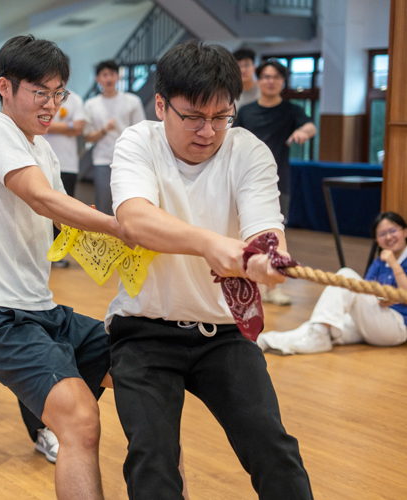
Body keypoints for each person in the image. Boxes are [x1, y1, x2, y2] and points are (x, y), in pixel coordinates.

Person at [107, 41, 313, 498]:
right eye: (194, 117)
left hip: (223, 334)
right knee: (152, 459)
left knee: (272, 448)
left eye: (221, 117)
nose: (209, 131)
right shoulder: (138, 142)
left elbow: (266, 230)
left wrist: (268, 259)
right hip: (144, 330)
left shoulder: (249, 151)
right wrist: (210, 244)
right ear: (161, 106)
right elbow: (135, 220)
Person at [0, 35, 126, 499]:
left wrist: (143, 250)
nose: (53, 105)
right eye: (41, 93)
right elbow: (42, 197)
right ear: (5, 87)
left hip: (44, 312)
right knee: (78, 418)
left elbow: (61, 218)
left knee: (142, 376)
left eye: (60, 93)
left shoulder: (43, 149)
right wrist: (121, 226)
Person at [258, 211, 407, 355]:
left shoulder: (391, 260)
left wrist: (394, 264)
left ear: (405, 232)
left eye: (393, 231)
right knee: (324, 324)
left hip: (397, 327)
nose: (388, 237)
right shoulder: (379, 262)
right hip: (375, 319)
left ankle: (316, 336)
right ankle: (266, 341)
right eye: (382, 234)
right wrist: (381, 299)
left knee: (346, 275)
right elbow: (367, 292)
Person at [234, 59, 317, 306]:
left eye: (276, 77)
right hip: (244, 180)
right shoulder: (246, 111)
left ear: (282, 82)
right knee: (242, 234)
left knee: (274, 237)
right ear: (258, 81)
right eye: (266, 77)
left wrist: (304, 132)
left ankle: (271, 288)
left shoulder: (291, 110)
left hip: (279, 182)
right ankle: (244, 287)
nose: (271, 81)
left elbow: (310, 126)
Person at [83, 60, 146, 215]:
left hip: (128, 159)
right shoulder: (91, 104)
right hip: (102, 160)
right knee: (103, 204)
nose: (109, 78)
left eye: (112, 74)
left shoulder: (132, 101)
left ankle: (128, 237)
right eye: (104, 75)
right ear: (98, 78)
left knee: (129, 202)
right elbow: (88, 137)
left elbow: (141, 131)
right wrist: (104, 130)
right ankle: (104, 238)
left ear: (118, 76)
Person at [44, 55, 86, 269]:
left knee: (63, 210)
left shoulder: (75, 99)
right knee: (42, 209)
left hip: (68, 163)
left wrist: (49, 125)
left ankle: (58, 254)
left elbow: (79, 127)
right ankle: (44, 252)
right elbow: (71, 126)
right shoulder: (40, 96)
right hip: (41, 162)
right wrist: (67, 126)